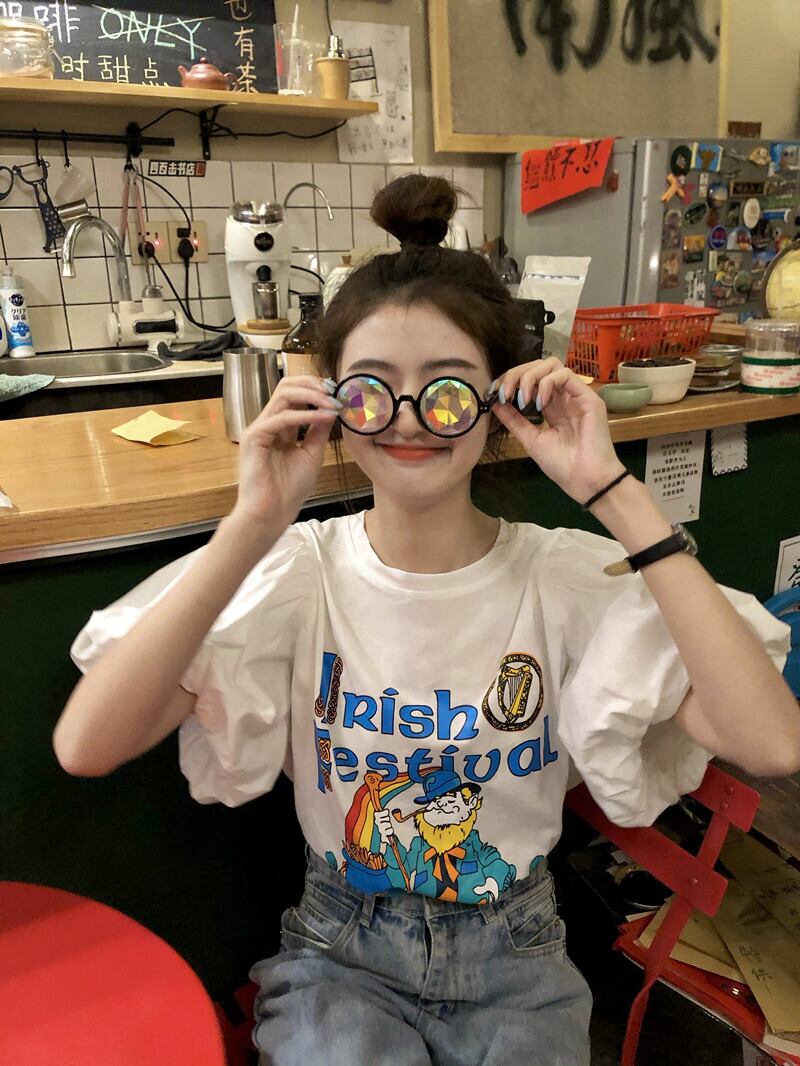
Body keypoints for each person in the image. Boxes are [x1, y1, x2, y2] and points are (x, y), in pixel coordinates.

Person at [54, 176, 799, 1066]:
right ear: (335, 405)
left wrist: (612, 490)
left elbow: (771, 742)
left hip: (516, 951)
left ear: (498, 405)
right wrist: (253, 521)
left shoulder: (563, 581)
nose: (409, 420)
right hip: (341, 950)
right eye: (373, 389)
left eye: (447, 391)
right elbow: (87, 744)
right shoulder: (299, 571)